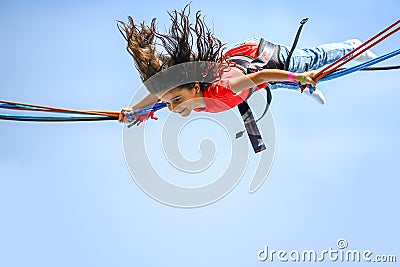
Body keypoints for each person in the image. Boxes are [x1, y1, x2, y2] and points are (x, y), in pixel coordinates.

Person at [117, 5, 376, 122]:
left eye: (175, 100)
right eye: (170, 102)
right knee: (271, 87)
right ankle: (304, 86)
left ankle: (353, 47)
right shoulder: (184, 96)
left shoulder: (224, 88)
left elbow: (259, 78)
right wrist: (134, 110)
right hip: (244, 70)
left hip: (261, 58)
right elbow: (156, 96)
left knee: (305, 62)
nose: (170, 108)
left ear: (195, 88)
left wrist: (297, 77)